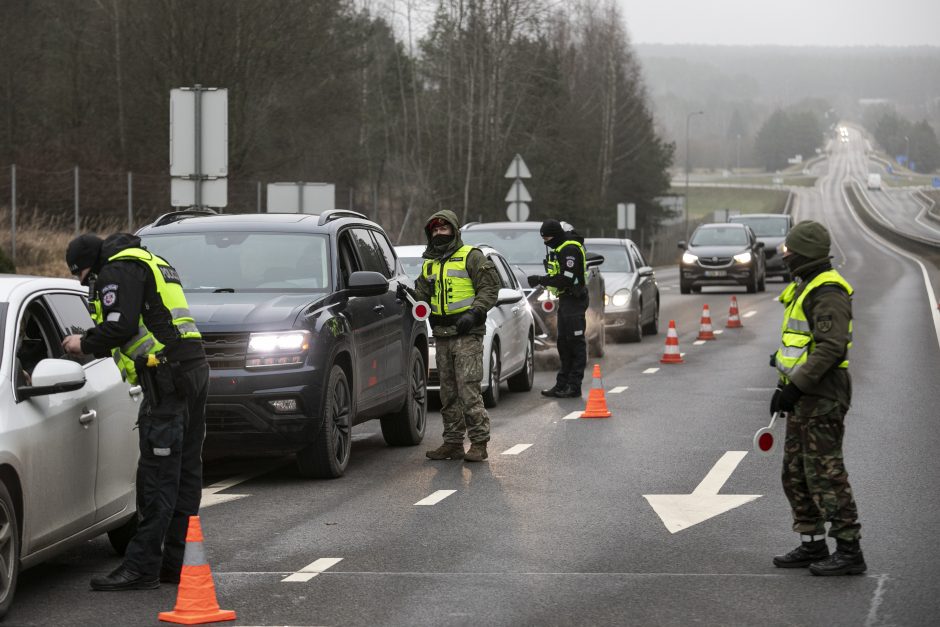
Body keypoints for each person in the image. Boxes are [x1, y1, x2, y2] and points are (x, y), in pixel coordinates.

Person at [62, 233, 209, 590]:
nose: (88, 284)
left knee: (157, 478)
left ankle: (141, 568)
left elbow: (121, 326)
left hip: (166, 378)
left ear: (90, 266)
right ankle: (176, 564)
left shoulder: (118, 270)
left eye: (84, 277)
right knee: (185, 474)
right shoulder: (151, 262)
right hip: (193, 371)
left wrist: (83, 343)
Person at [769, 220, 866, 576]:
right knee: (795, 472)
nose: (785, 257)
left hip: (824, 393)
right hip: (805, 393)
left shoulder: (828, 292)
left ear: (804, 254)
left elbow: (830, 348)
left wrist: (797, 387)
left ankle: (849, 550)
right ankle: (812, 545)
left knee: (825, 472)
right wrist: (786, 388)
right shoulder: (806, 287)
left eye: (789, 252)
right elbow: (800, 347)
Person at [408, 210, 499, 462]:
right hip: (441, 333)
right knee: (447, 393)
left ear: (454, 231)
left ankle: (479, 443)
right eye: (435, 230)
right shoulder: (429, 263)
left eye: (444, 229)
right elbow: (422, 294)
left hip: (467, 333)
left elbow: (490, 287)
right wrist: (410, 296)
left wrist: (476, 312)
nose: (439, 233)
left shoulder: (471, 256)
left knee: (468, 390)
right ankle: (452, 442)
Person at [527, 219, 588, 398]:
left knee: (575, 344)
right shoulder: (559, 248)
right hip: (565, 300)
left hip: (575, 300)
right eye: (543, 238)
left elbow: (567, 278)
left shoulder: (569, 250)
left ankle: (574, 386)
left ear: (556, 235)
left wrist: (540, 279)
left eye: (547, 237)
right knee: (563, 343)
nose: (546, 242)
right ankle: (561, 384)